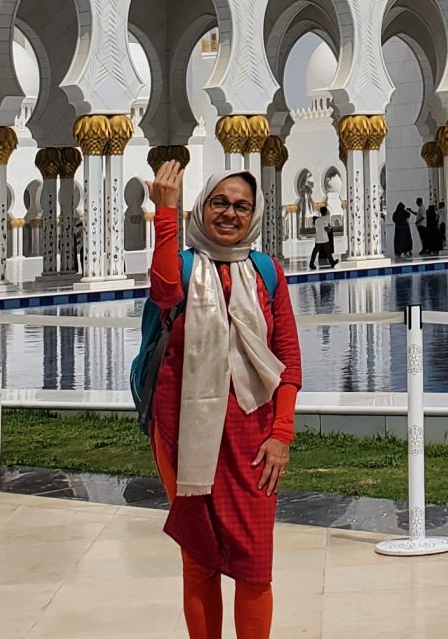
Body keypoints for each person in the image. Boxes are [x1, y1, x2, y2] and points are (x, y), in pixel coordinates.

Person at [146, 157, 302, 639]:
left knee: (255, 564)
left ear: (254, 214)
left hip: (253, 437)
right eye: (219, 202)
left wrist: (282, 433)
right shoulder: (186, 266)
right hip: (183, 435)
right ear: (202, 206)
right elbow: (164, 289)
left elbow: (288, 361)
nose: (230, 213)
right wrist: (165, 213)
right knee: (199, 558)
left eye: (241, 205)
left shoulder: (265, 273)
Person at [307, 205, 336, 270]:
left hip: (318, 239)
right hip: (324, 239)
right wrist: (330, 229)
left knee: (315, 252)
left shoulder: (317, 220)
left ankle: (311, 263)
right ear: (326, 212)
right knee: (328, 251)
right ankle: (332, 262)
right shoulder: (325, 219)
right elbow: (326, 229)